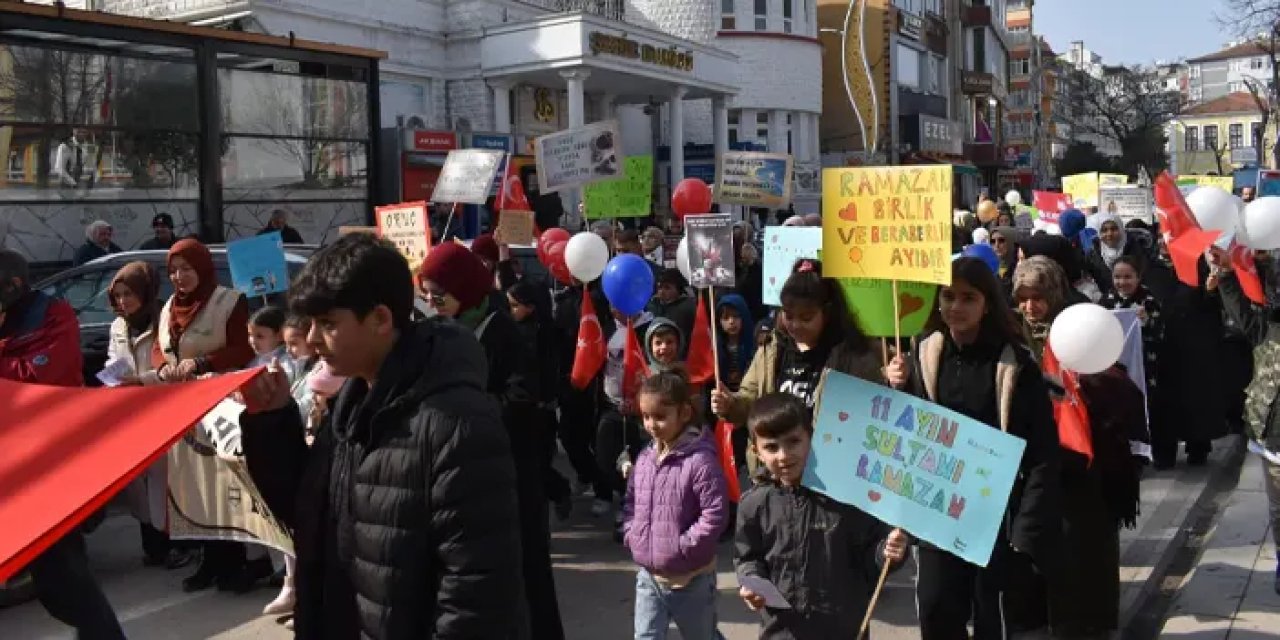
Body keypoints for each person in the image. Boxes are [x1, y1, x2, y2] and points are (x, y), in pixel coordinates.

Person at [237, 233, 527, 637]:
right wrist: (271, 424)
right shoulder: (352, 403)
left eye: (328, 324)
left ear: (380, 319)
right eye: (311, 325)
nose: (314, 341)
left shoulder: (455, 423)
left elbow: (477, 597)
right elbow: (310, 516)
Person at [905, 257, 1062, 640]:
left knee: (993, 618)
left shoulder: (1014, 364)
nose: (955, 307)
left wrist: (1025, 531)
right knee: (937, 609)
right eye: (948, 297)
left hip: (996, 515)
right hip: (937, 509)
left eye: (967, 298)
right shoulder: (922, 354)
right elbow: (906, 436)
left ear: (986, 303)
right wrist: (897, 386)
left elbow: (1042, 452)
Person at [419, 242, 564, 639]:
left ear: (464, 289)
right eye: (427, 294)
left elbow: (521, 398)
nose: (432, 302)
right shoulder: (439, 333)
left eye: (439, 294)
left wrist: (466, 411)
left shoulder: (503, 329)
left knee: (524, 577)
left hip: (510, 474)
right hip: (462, 477)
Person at [1012, 256, 1146, 636]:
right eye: (1023, 297)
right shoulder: (1010, 335)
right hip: (1036, 465)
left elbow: (1121, 387)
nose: (1030, 306)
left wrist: (1083, 384)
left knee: (1086, 554)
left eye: (1038, 296)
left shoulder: (1081, 326)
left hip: (1087, 468)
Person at [0, 249, 126, 638]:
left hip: (50, 465)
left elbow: (43, 379)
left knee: (63, 580)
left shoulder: (53, 316)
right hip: (8, 464)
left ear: (14, 285)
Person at [735, 392, 909, 638]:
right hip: (782, 631)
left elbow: (873, 557)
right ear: (756, 450)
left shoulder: (847, 499)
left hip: (842, 629)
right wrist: (751, 581)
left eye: (793, 442)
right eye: (771, 447)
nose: (783, 455)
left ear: (811, 438)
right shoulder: (754, 504)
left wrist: (887, 552)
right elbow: (748, 556)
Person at [152, 239, 261, 593]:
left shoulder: (229, 301)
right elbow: (158, 346)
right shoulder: (169, 305)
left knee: (223, 486)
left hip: (218, 406)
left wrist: (202, 362)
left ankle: (234, 562)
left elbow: (243, 347)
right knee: (192, 488)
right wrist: (163, 367)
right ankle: (209, 562)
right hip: (181, 410)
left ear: (202, 267)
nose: (179, 277)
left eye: (186, 269)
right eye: (173, 270)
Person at [711, 259, 898, 436]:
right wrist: (730, 405)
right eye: (789, 316)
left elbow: (875, 413)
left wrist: (894, 382)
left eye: (806, 318)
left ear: (827, 313)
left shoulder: (854, 354)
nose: (795, 325)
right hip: (776, 462)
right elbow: (749, 400)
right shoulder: (772, 348)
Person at [622, 367, 730, 640]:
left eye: (660, 416)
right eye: (646, 416)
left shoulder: (700, 461)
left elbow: (714, 514)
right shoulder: (646, 458)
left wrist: (683, 548)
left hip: (691, 579)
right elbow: (632, 501)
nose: (651, 424)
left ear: (684, 413)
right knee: (645, 636)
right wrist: (631, 533)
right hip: (649, 577)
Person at [107, 261, 196, 571]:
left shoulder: (165, 319)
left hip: (164, 408)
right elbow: (114, 360)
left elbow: (174, 366)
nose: (123, 302)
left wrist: (143, 380)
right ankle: (153, 545)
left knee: (164, 481)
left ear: (145, 292)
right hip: (131, 412)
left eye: (128, 294)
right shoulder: (118, 326)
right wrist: (111, 378)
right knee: (138, 483)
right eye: (117, 295)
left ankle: (176, 545)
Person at [1212, 245, 1280, 595]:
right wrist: (1226, 275)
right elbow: (1244, 315)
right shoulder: (1268, 328)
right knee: (1278, 504)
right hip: (1273, 431)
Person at [509, 280, 574, 521]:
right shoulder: (512, 331)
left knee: (536, 466)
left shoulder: (546, 335)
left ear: (531, 306)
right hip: (520, 408)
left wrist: (545, 398)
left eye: (515, 305)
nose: (511, 310)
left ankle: (559, 492)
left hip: (540, 410)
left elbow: (549, 372)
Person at [1100, 256, 1166, 466]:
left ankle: (1153, 450)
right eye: (1117, 277)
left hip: (1146, 365)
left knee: (1148, 405)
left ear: (1138, 277)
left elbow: (1161, 332)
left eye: (1128, 277)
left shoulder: (1149, 300)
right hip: (1116, 366)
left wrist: (1146, 320)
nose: (1122, 282)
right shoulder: (1106, 301)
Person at [1085, 211, 1147, 295]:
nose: (1109, 234)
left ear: (1121, 229)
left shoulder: (1136, 251)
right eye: (1104, 230)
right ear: (1099, 233)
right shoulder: (1093, 254)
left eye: (1114, 229)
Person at [646, 268, 697, 355]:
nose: (662, 291)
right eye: (660, 287)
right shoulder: (652, 305)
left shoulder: (686, 308)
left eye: (667, 288)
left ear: (678, 290)